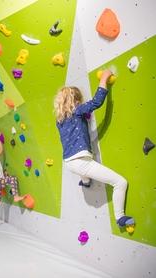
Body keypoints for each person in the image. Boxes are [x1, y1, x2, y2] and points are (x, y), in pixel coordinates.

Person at [54, 69, 135, 230]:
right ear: (77, 102)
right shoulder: (77, 111)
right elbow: (96, 102)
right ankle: (120, 217)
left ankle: (85, 182)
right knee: (120, 182)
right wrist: (104, 78)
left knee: (83, 169)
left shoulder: (60, 119)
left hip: (68, 162)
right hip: (80, 162)